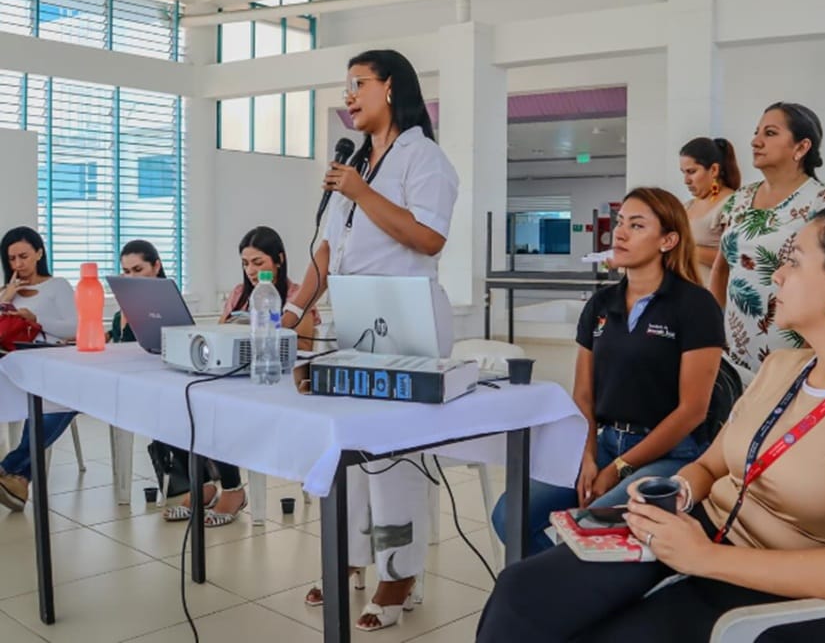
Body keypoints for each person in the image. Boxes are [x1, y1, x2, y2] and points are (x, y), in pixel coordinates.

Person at [477, 204, 825, 643]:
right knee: (524, 592)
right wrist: (679, 494)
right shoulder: (783, 369)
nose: (777, 277)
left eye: (793, 262)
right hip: (703, 534)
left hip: (784, 593)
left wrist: (703, 559)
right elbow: (710, 465)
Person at [285, 49, 459, 632]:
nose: (349, 96)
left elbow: (429, 238)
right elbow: (326, 253)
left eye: (359, 84)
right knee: (351, 447)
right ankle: (355, 556)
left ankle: (400, 570)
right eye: (347, 86)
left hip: (408, 317)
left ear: (392, 88)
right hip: (356, 318)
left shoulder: (423, 157)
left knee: (395, 455)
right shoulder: (356, 164)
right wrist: (289, 316)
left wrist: (360, 193)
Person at [490, 187, 725, 554]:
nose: (620, 233)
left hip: (672, 453)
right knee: (509, 515)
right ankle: (564, 597)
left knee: (594, 524)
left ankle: (570, 593)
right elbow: (583, 394)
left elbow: (692, 410)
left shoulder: (695, 305)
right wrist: (585, 456)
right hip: (603, 443)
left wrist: (617, 468)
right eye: (619, 223)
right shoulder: (602, 303)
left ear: (668, 240)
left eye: (636, 225)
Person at [161, 227, 316, 527]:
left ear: (279, 260)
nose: (251, 271)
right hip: (237, 378)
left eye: (258, 262)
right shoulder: (238, 294)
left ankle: (232, 490)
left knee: (217, 410)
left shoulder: (298, 295)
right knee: (178, 400)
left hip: (277, 383)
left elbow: (305, 348)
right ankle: (203, 483)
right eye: (246, 263)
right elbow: (219, 334)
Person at [709, 103, 825, 373]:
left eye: (770, 133)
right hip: (733, 347)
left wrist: (808, 352)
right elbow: (722, 267)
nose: (755, 141)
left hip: (792, 348)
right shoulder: (740, 198)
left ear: (801, 147)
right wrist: (712, 329)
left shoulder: (822, 203)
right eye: (757, 132)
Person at [0, 226, 77, 512]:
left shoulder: (57, 286)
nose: (18, 264)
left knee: (64, 397)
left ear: (39, 253)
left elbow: (74, 328)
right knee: (55, 397)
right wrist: (5, 300)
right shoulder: (7, 292)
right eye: (11, 259)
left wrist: (38, 319)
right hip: (14, 364)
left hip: (52, 360)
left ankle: (12, 469)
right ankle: (17, 478)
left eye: (24, 256)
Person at [680, 137, 741, 285]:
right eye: (683, 173)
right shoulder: (687, 206)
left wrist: (684, 248)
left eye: (692, 172)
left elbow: (735, 258)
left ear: (714, 170)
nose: (686, 180)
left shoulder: (734, 203)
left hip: (712, 297)